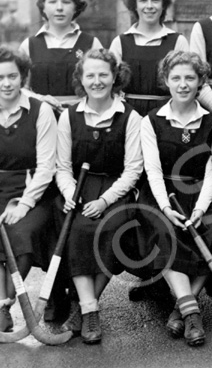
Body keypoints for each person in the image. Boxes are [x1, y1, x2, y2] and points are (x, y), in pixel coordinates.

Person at [135, 51, 212, 346]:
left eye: (190, 78)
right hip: (162, 194)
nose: (183, 84)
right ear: (166, 81)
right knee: (166, 232)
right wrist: (164, 206)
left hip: (199, 193)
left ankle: (182, 309)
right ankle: (193, 316)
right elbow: (152, 169)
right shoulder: (151, 121)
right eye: (176, 78)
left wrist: (201, 207)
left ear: (201, 81)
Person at [0, 43, 57, 342]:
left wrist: (25, 203)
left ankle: (0, 313)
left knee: (21, 232)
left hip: (34, 190)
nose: (7, 83)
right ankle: (0, 309)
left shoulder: (41, 112)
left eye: (13, 76)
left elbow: (46, 167)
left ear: (23, 77)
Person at [55, 49, 143, 344]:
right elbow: (62, 167)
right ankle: (89, 308)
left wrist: (105, 200)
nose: (97, 81)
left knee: (110, 229)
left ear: (115, 76)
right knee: (78, 228)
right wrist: (71, 194)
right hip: (79, 190)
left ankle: (85, 309)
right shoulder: (68, 116)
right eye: (90, 75)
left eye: (103, 74)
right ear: (80, 78)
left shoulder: (130, 117)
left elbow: (133, 170)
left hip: (115, 191)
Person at [109, 0, 190, 117]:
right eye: (143, 1)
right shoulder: (120, 42)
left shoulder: (178, 41)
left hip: (167, 115)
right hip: (128, 116)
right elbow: (110, 85)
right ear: (135, 5)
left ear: (163, 5)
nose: (149, 6)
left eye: (155, 0)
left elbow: (189, 81)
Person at [19, 0, 103, 113]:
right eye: (52, 2)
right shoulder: (29, 45)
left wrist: (80, 103)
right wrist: (40, 99)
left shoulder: (91, 43)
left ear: (75, 7)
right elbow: (20, 88)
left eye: (66, 2)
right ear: (43, 8)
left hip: (82, 116)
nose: (59, 8)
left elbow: (103, 83)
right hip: (40, 117)